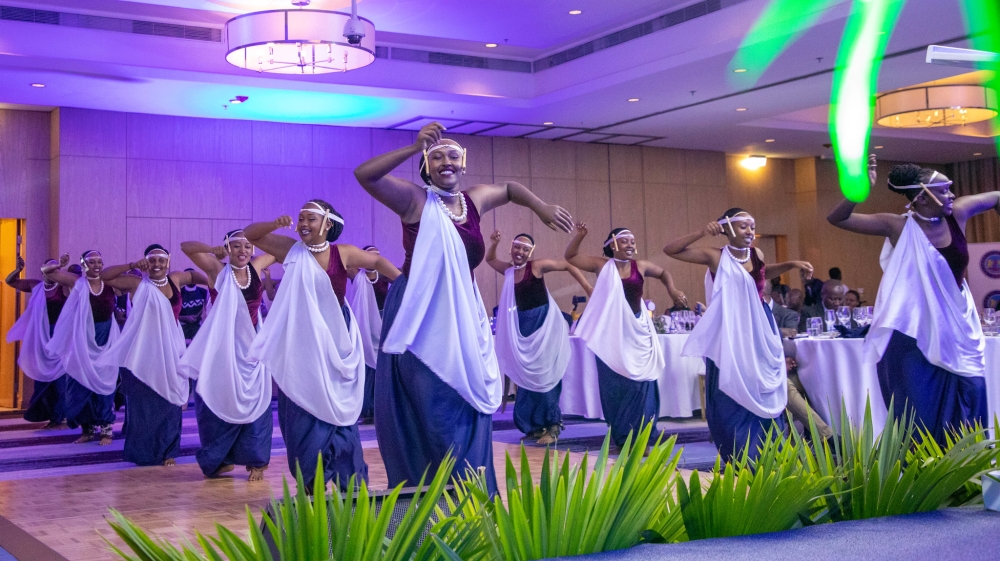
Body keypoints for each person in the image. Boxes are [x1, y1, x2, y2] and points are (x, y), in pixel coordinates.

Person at [354, 122, 573, 495]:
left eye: (453, 155)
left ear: (464, 163)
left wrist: (540, 206)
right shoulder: (415, 200)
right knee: (434, 402)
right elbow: (366, 175)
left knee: (465, 399)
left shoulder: (473, 200)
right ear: (426, 166)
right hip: (419, 314)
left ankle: (470, 494)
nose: (446, 162)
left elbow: (509, 189)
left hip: (462, 312)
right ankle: (431, 493)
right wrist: (412, 147)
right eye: (436, 156)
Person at [827, 156, 1000, 443]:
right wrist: (857, 192)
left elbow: (996, 197)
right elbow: (838, 218)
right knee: (919, 416)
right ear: (920, 197)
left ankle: (968, 477)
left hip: (958, 328)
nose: (952, 194)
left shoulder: (957, 214)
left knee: (972, 394)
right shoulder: (897, 226)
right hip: (913, 334)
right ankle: (926, 480)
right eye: (943, 189)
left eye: (949, 187)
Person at [245, 200, 400, 490]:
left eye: (311, 219)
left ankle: (348, 481)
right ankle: (310, 482)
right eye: (301, 218)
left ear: (327, 224)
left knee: (339, 413)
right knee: (303, 405)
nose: (303, 223)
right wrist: (274, 225)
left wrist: (404, 282)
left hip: (335, 339)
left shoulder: (343, 253)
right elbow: (252, 235)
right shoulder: (290, 250)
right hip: (302, 341)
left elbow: (377, 262)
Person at [665, 208, 812, 460]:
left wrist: (791, 264)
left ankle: (768, 450)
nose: (750, 231)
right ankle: (740, 450)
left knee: (760, 385)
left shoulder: (757, 253)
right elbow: (672, 250)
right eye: (743, 226)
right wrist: (702, 232)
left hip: (758, 327)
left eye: (752, 226)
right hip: (730, 330)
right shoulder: (715, 256)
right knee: (730, 390)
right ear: (727, 228)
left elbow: (762, 273)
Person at [565, 223, 687, 449]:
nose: (630, 244)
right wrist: (580, 236)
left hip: (638, 332)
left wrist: (672, 289)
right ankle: (621, 436)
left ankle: (643, 439)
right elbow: (570, 256)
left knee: (641, 386)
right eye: (624, 240)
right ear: (612, 245)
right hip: (611, 336)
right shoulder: (601, 265)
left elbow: (663, 272)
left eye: (632, 241)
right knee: (615, 387)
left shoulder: (640, 266)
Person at [97, 245, 208, 466]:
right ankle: (143, 453)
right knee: (145, 405)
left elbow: (195, 275)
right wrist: (131, 266)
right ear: (146, 262)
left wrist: (214, 283)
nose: (157, 264)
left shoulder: (175, 280)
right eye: (152, 260)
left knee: (170, 402)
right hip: (143, 353)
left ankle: (169, 452)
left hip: (172, 350)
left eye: (161, 260)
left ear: (168, 261)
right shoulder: (137, 283)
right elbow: (104, 276)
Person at [179, 231, 277, 481]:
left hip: (251, 350)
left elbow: (281, 251)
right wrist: (211, 249)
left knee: (257, 402)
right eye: (236, 246)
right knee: (215, 401)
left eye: (247, 246)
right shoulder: (216, 270)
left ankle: (257, 461)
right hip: (222, 350)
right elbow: (186, 246)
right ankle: (219, 460)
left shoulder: (256, 266)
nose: (242, 250)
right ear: (227, 248)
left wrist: (267, 230)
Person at [485, 230, 592, 445]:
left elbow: (568, 265)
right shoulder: (507, 270)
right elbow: (489, 259)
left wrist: (588, 287)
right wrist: (494, 243)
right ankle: (534, 425)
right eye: (517, 247)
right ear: (511, 248)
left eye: (526, 249)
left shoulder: (536, 266)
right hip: (522, 328)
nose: (521, 251)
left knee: (544, 377)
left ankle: (552, 426)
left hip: (544, 326)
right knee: (525, 377)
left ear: (530, 252)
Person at [46, 251, 121, 445]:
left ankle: (106, 431)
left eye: (99, 261)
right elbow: (48, 272)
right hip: (81, 343)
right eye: (91, 262)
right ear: (83, 264)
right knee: (80, 385)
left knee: (105, 385)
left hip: (106, 340)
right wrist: (58, 265)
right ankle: (87, 429)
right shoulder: (76, 282)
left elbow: (132, 282)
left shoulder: (110, 283)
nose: (96, 265)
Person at [5, 256, 73, 427]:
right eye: (49, 269)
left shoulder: (64, 288)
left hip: (59, 338)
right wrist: (18, 270)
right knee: (42, 378)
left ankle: (60, 417)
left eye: (56, 270)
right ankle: (49, 416)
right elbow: (10, 281)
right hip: (40, 339)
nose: (52, 273)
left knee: (59, 381)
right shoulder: (36, 286)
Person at [345, 245, 393, 424]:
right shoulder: (357, 275)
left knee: (380, 367)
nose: (374, 259)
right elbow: (344, 260)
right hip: (362, 326)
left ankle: (380, 407)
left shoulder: (385, 277)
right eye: (370, 255)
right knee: (364, 367)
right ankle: (365, 409)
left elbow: (404, 279)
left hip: (381, 326)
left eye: (377, 256)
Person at [179, 270, 209, 344]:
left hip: (198, 326)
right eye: (188, 277)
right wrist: (185, 318)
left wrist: (198, 316)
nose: (191, 279)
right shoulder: (179, 293)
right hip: (182, 327)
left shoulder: (203, 292)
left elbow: (207, 306)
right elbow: (172, 313)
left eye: (193, 277)